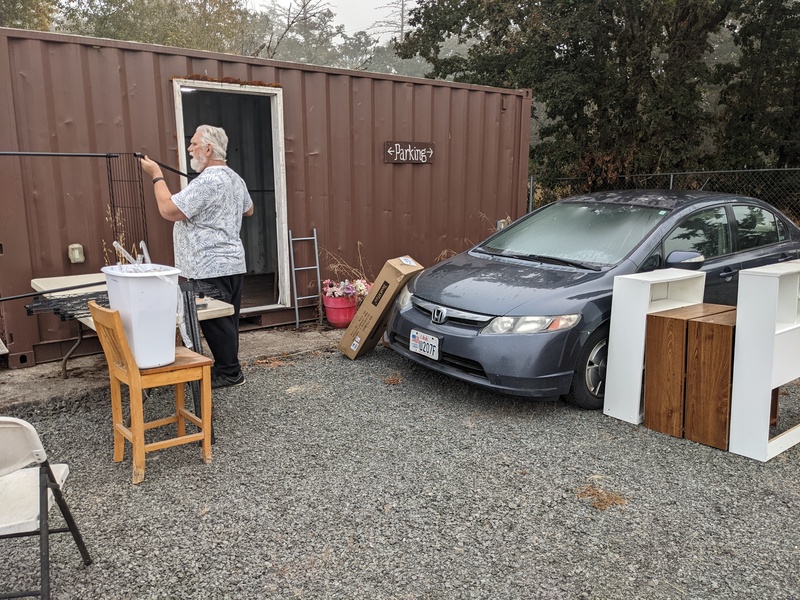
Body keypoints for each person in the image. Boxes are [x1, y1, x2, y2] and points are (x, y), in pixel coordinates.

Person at [140, 125, 254, 389]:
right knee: (226, 320)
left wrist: (157, 176)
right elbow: (248, 209)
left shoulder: (207, 181)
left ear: (208, 148)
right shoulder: (235, 178)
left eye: (193, 144)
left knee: (216, 322)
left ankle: (230, 373)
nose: (190, 148)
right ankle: (229, 369)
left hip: (207, 266)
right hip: (232, 263)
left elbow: (168, 210)